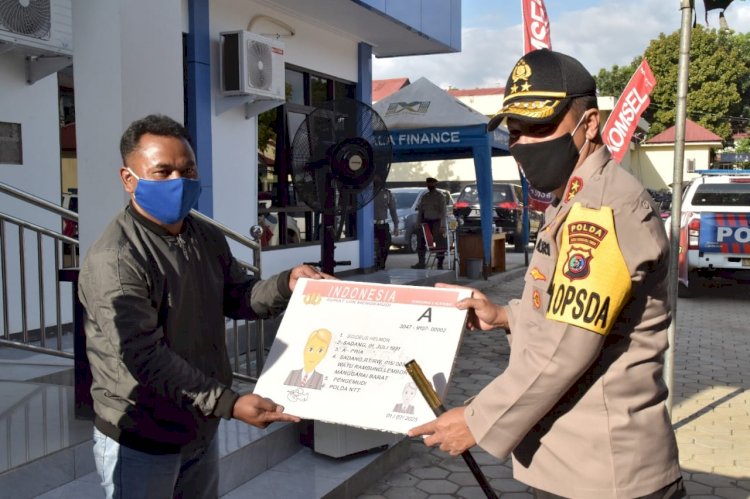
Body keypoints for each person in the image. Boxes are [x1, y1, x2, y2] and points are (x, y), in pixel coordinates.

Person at [409, 49, 684, 499]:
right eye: (515, 131)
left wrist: (478, 420)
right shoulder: (571, 199)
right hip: (565, 463)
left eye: (539, 128)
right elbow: (570, 313)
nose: (523, 144)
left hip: (603, 474)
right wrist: (505, 316)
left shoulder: (603, 209)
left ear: (589, 124)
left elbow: (565, 347)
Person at [78, 114, 329, 499]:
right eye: (162, 172)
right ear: (129, 179)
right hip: (142, 438)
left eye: (187, 170)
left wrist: (286, 284)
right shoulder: (116, 258)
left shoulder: (205, 236)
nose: (178, 182)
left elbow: (239, 296)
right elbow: (144, 356)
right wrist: (228, 403)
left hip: (200, 425)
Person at [412, 177, 446, 269]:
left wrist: (442, 225)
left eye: (432, 184)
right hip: (426, 222)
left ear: (435, 184)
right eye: (428, 184)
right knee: (421, 241)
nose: (430, 185)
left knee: (439, 243)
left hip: (436, 222)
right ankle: (421, 262)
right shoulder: (425, 197)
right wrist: (417, 223)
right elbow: (420, 212)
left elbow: (443, 212)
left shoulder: (440, 196)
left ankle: (440, 263)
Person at [373, 185, 399, 270]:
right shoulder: (370, 193)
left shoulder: (387, 193)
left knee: (386, 244)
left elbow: (393, 210)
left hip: (383, 224)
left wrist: (396, 225)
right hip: (371, 225)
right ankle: (376, 264)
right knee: (374, 246)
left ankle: (381, 264)